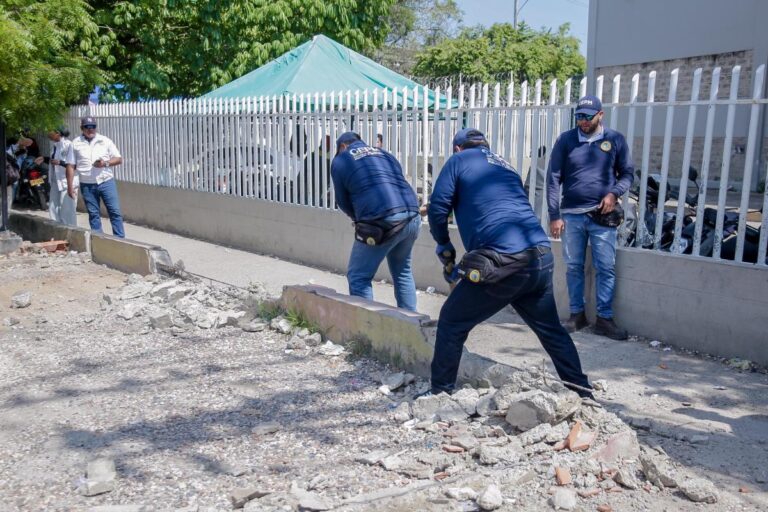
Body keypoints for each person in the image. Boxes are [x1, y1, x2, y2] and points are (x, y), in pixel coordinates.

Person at [426, 128, 592, 397]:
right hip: (539, 256)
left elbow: (437, 207)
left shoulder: (458, 160)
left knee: (451, 322)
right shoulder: (505, 165)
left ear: (457, 148)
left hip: (503, 261)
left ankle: (439, 395)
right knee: (552, 331)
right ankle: (583, 393)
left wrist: (444, 244)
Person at [546, 95, 634, 339]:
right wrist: (554, 215)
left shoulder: (615, 139)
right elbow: (553, 178)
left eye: (588, 116)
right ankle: (577, 315)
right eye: (579, 117)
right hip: (571, 216)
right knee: (574, 267)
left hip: (602, 216)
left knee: (605, 267)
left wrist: (614, 194)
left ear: (600, 115)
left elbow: (627, 174)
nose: (583, 121)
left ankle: (604, 319)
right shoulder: (566, 140)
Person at [331, 131, 421, 311]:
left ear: (342, 146)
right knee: (402, 271)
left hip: (381, 222)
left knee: (359, 276)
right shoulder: (385, 154)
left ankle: (367, 325)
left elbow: (342, 201)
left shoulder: (341, 159)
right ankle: (412, 322)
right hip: (412, 215)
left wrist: (357, 219)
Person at [65, 116, 125, 238]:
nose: (90, 129)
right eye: (87, 127)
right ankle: (99, 240)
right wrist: (70, 187)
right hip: (87, 185)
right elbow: (70, 165)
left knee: (115, 212)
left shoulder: (105, 141)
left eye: (93, 126)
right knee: (93, 214)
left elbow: (118, 159)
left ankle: (120, 240)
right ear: (82, 128)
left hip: (106, 182)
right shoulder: (75, 143)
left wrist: (105, 163)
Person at [35, 127, 77, 226]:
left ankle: (70, 231)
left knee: (67, 210)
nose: (48, 133)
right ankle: (56, 229)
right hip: (55, 181)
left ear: (57, 133)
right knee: (53, 208)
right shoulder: (55, 145)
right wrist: (44, 159)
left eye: (50, 131)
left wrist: (60, 163)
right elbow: (53, 160)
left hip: (66, 182)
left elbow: (74, 165)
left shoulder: (69, 145)